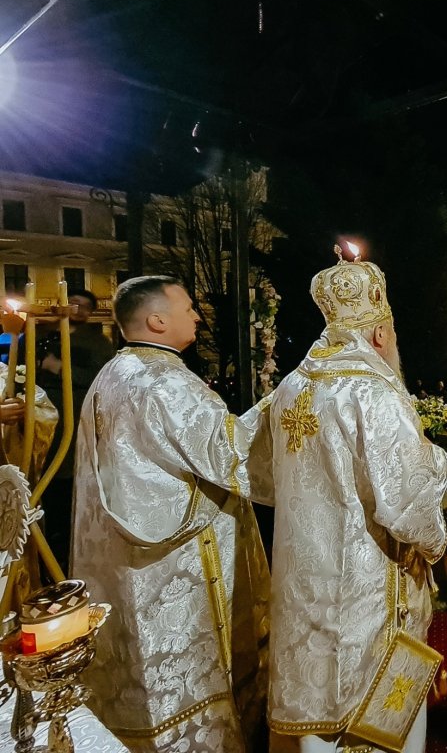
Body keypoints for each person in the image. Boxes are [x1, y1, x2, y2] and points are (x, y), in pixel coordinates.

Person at [255, 256, 447, 753]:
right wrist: (439, 464)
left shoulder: (292, 387)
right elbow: (408, 501)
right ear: (381, 333)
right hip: (365, 598)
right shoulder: (375, 391)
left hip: (304, 590)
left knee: (314, 733)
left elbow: (260, 468)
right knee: (368, 734)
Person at [70, 275, 271, 752]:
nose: (198, 317)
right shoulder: (164, 381)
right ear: (157, 320)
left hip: (125, 566)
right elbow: (233, 452)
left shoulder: (113, 374)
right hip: (175, 565)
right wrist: (291, 402)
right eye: (188, 308)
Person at [36, 288, 115, 571]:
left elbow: (100, 378)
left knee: (66, 478)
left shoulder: (98, 343)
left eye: (83, 305)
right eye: (73, 303)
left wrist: (59, 368)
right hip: (42, 415)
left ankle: (64, 544)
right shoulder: (45, 333)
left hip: (73, 414)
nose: (77, 309)